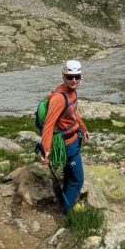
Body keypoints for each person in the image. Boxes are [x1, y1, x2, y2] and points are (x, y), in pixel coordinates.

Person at [39, 59, 90, 214]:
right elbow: (48, 124)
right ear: (64, 76)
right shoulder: (59, 98)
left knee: (69, 175)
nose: (74, 80)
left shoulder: (72, 93)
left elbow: (74, 113)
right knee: (78, 179)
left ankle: (67, 203)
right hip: (67, 144)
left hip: (75, 139)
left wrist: (83, 128)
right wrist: (46, 149)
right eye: (70, 77)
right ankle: (68, 215)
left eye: (77, 76)